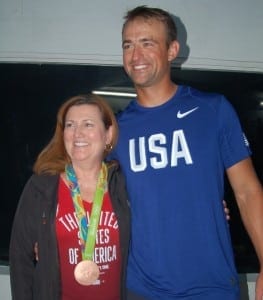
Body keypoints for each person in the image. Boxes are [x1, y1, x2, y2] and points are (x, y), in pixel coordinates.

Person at [110, 5, 263, 300]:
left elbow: (247, 191)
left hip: (211, 287)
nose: (135, 55)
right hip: (139, 290)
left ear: (172, 50)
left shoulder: (213, 110)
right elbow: (91, 199)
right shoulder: (116, 130)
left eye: (147, 43)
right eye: (128, 45)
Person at [9, 94, 131, 300]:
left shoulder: (124, 185)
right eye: (70, 125)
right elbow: (20, 259)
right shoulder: (41, 189)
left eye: (88, 124)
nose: (77, 134)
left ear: (108, 135)